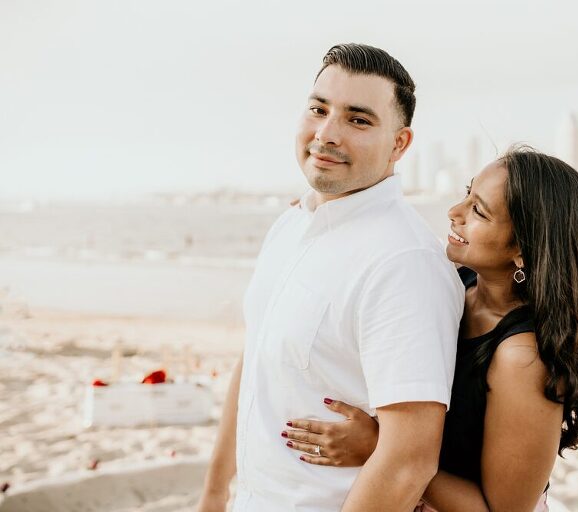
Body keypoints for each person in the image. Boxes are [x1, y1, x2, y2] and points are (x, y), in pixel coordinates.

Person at [196, 43, 465, 512]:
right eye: (319, 109)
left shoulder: (403, 263)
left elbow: (409, 460)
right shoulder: (291, 224)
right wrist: (215, 494)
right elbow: (256, 358)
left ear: (399, 144)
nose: (326, 133)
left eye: (358, 120)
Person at [283, 147, 578, 511]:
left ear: (522, 249)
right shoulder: (459, 283)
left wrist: (381, 446)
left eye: (478, 211)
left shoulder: (523, 359)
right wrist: (328, 218)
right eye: (467, 194)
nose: (454, 213)